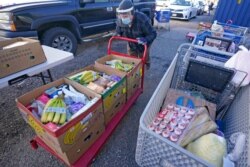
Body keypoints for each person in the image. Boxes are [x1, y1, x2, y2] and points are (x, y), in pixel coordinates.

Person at [115, 0, 157, 69]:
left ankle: (146, 65)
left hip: (143, 43)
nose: (124, 19)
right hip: (131, 42)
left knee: (143, 58)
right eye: (122, 17)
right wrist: (118, 33)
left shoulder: (142, 19)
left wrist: (146, 39)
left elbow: (153, 33)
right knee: (131, 59)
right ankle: (134, 71)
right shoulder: (120, 20)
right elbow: (118, 31)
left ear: (132, 13)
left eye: (125, 17)